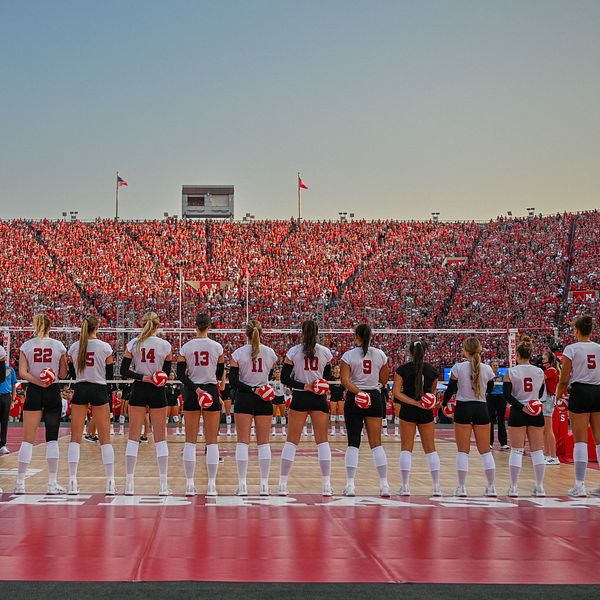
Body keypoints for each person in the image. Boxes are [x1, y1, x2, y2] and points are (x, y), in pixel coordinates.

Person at [120, 311, 173, 496]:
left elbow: (123, 370)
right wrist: (156, 377)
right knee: (160, 438)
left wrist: (144, 376)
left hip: (140, 388)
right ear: (158, 325)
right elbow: (165, 374)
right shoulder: (165, 345)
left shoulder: (134, 343)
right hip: (158, 391)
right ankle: (163, 485)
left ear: (143, 324)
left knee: (133, 437)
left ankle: (129, 483)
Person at [278, 320, 334, 496]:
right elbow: (327, 378)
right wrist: (316, 384)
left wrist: (304, 386)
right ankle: (326, 485)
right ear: (317, 332)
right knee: (322, 442)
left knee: (292, 441)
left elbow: (285, 378)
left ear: (302, 332)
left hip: (300, 397)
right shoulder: (325, 352)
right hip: (319, 398)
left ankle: (282, 484)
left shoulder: (294, 352)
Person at [14, 314, 68, 494]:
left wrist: (38, 381)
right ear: (50, 327)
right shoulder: (58, 346)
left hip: (35, 392)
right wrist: (48, 378)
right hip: (52, 391)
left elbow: (22, 373)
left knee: (27, 440)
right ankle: (52, 484)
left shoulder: (26, 346)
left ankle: (20, 483)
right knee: (52, 438)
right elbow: (62, 374)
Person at [66, 315, 116, 494]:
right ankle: (110, 482)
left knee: (76, 438)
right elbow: (109, 375)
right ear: (97, 327)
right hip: (99, 388)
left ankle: (72, 481)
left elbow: (71, 374)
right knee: (105, 439)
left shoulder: (74, 347)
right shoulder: (105, 347)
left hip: (81, 388)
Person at [177, 313, 225, 496]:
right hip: (211, 391)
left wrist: (195, 389)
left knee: (190, 441)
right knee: (212, 441)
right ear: (209, 326)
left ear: (195, 326)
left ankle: (190, 484)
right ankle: (211, 484)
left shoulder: (186, 347)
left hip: (192, 392)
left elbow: (181, 374)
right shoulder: (217, 347)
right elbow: (220, 373)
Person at [340, 323, 390, 497]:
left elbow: (345, 381)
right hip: (374, 397)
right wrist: (369, 390)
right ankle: (384, 485)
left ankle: (350, 485)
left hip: (355, 397)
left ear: (357, 336)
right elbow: (384, 379)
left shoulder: (348, 355)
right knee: (376, 443)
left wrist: (359, 393)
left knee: (353, 441)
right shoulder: (380, 355)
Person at [442, 337, 497, 497]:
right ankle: (492, 487)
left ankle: (462, 487)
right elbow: (491, 388)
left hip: (463, 407)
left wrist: (444, 404)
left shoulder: (458, 367)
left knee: (463, 451)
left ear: (465, 351)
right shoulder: (487, 369)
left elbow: (450, 389)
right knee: (485, 451)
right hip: (481, 408)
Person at [229, 320, 277, 496]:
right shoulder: (270, 353)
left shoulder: (238, 353)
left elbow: (233, 381)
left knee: (243, 442)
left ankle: (242, 485)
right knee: (263, 443)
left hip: (245, 397)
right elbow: (269, 374)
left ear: (246, 334)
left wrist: (251, 388)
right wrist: (259, 387)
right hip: (264, 397)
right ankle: (264, 485)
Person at [555, 316, 600, 497]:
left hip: (580, 391)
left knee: (580, 439)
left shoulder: (571, 349)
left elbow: (564, 378)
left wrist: (558, 396)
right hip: (598, 390)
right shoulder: (598, 348)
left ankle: (580, 485)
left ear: (576, 330)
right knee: (599, 439)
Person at [392, 340, 441, 496]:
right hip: (426, 411)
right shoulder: (433, 371)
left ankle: (405, 486)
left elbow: (396, 393)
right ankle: (436, 487)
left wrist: (414, 402)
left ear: (410, 352)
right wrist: (427, 402)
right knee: (431, 448)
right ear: (425, 352)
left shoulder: (402, 370)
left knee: (406, 448)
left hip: (408, 410)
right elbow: (433, 394)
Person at [503, 336, 546, 497]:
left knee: (516, 450)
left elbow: (507, 395)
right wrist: (531, 404)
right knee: (537, 452)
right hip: (536, 412)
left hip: (518, 412)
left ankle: (514, 487)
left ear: (517, 355)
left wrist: (522, 406)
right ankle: (540, 487)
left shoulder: (512, 372)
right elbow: (540, 393)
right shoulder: (539, 371)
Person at [541, 351, 560, 465]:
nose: (542, 359)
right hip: (545, 399)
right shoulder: (548, 370)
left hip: (548, 399)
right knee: (545, 430)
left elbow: (539, 379)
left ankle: (553, 456)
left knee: (548, 429)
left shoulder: (551, 370)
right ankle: (547, 455)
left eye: (544, 357)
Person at [487, 361, 508, 449]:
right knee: (490, 420)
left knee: (501, 420)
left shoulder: (502, 376)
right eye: (494, 365)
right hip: (491, 397)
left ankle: (503, 442)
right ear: (491, 367)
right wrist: (493, 385)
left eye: (496, 365)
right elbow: (487, 388)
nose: (495, 367)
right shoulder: (489, 377)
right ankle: (489, 442)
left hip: (500, 397)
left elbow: (505, 387)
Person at [1, 354, 16, 455]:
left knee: (4, 421)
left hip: (6, 396)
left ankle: (3, 445)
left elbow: (14, 384)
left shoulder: (11, 370)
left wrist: (13, 399)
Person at [329, 364, 345, 436]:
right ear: (333, 369)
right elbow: (329, 387)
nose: (337, 369)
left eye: (338, 368)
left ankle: (342, 430)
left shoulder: (342, 377)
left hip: (340, 396)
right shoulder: (331, 378)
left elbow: (344, 387)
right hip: (333, 396)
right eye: (335, 368)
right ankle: (333, 430)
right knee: (333, 413)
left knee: (341, 413)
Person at [270, 369, 286, 436]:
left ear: (280, 373)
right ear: (274, 374)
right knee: (273, 415)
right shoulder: (272, 382)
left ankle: (283, 431)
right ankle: (273, 430)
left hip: (281, 397)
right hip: (275, 398)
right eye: (276, 372)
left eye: (278, 372)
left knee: (283, 415)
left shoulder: (283, 381)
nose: (277, 373)